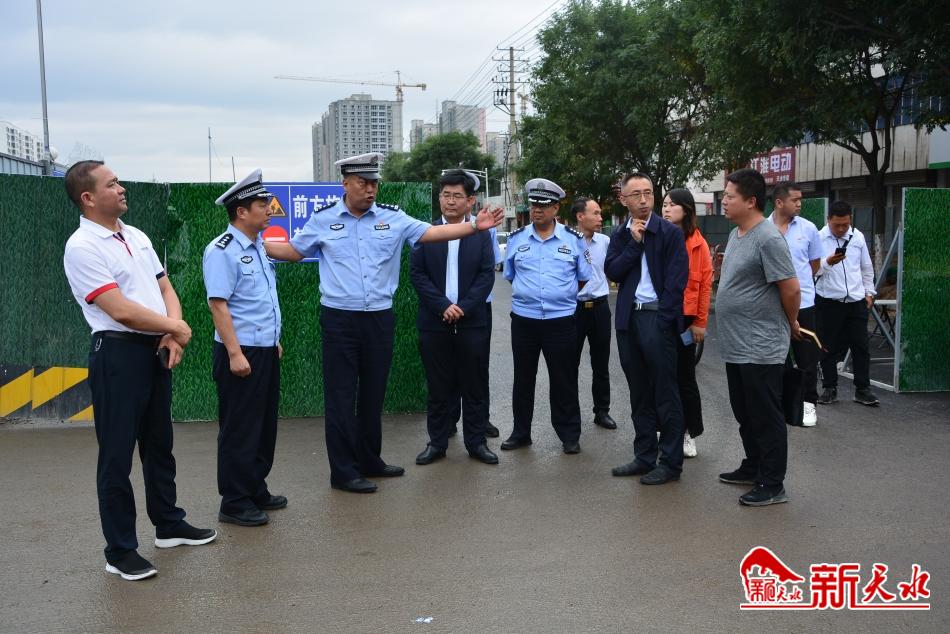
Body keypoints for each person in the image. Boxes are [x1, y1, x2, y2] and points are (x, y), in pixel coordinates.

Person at [264, 153, 503, 494]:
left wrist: (474, 227)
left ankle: (370, 460)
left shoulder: (393, 218)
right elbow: (294, 251)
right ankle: (343, 472)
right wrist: (258, 243)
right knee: (341, 397)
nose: (370, 189)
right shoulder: (323, 219)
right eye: (363, 183)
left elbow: (433, 232)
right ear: (345, 184)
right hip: (340, 320)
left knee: (373, 394)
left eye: (374, 183)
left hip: (379, 318)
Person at [62, 160, 216, 581]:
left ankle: (169, 525)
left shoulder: (136, 235)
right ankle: (120, 551)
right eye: (111, 184)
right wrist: (175, 327)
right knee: (116, 456)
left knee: (159, 444)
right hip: (117, 354)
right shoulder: (82, 246)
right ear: (88, 198)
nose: (121, 188)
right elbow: (120, 310)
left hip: (154, 349)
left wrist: (172, 333)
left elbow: (164, 287)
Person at [202, 170, 286, 527]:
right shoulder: (222, 250)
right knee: (239, 428)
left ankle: (254, 488)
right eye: (262, 204)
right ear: (241, 211)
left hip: (264, 349)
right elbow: (218, 305)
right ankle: (234, 501)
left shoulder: (258, 247)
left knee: (263, 425)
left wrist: (273, 340)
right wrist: (235, 354)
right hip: (240, 352)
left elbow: (260, 301)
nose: (269, 209)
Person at [716, 168, 801, 507]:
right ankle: (753, 466)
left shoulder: (768, 238)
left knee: (766, 416)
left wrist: (791, 322)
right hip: (736, 345)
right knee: (745, 413)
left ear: (751, 201)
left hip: (760, 346)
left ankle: (772, 483)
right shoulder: (737, 234)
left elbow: (790, 288)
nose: (724, 201)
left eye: (729, 196)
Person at [411, 170, 498, 466]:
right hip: (434, 322)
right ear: (439, 198)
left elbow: (486, 275)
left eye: (457, 196)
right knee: (438, 387)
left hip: (472, 322)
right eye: (445, 195)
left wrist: (464, 307)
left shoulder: (481, 234)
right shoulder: (425, 233)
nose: (450, 201)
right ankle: (436, 443)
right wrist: (443, 306)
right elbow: (418, 275)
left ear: (470, 201)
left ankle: (477, 443)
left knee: (474, 385)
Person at [606, 173, 688, 485]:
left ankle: (670, 462)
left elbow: (677, 282)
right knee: (639, 392)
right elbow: (613, 271)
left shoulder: (669, 232)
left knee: (665, 392)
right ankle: (644, 456)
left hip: (657, 318)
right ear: (623, 199)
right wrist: (634, 244)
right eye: (636, 195)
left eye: (648, 193)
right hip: (628, 321)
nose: (643, 200)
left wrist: (664, 320)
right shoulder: (620, 234)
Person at [502, 178, 592, 455]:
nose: (536, 210)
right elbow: (511, 276)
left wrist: (559, 296)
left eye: (543, 205)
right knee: (523, 378)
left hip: (561, 321)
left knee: (564, 379)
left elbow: (582, 278)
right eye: (533, 205)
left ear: (555, 208)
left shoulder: (573, 240)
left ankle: (569, 435)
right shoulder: (517, 239)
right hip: (524, 320)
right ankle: (521, 433)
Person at [661, 188, 712, 457]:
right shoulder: (657, 237)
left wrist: (700, 322)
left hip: (686, 317)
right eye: (664, 205)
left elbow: (704, 285)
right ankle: (665, 429)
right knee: (661, 376)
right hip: (660, 315)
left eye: (672, 205)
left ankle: (688, 432)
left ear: (687, 209)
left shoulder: (698, 243)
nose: (666, 209)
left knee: (685, 378)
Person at [815, 201, 879, 406]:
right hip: (829, 300)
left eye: (845, 224)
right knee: (828, 347)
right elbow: (812, 270)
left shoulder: (857, 237)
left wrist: (869, 292)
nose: (842, 229)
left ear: (850, 219)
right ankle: (829, 388)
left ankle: (863, 389)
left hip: (856, 301)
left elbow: (866, 267)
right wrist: (828, 262)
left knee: (861, 346)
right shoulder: (818, 238)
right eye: (837, 225)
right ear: (828, 220)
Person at [769, 182, 823, 426]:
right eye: (795, 200)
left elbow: (814, 265)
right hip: (772, 303)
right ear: (779, 202)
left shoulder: (808, 228)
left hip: (804, 302)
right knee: (777, 356)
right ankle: (783, 401)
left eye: (801, 199)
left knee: (806, 355)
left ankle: (809, 403)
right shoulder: (763, 228)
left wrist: (798, 286)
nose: (800, 204)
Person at [573, 197, 616, 430]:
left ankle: (602, 411)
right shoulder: (569, 241)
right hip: (574, 310)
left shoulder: (605, 242)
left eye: (600, 213)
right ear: (581, 216)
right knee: (569, 365)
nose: (601, 218)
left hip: (599, 308)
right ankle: (571, 416)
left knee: (601, 364)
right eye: (596, 213)